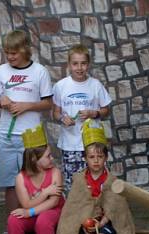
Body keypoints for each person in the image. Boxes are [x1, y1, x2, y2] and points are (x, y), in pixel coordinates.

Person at [29, 120, 135, 234]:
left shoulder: (111, 180)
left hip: (104, 224)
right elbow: (74, 208)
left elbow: (115, 208)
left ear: (105, 158)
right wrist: (82, 225)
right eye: (92, 157)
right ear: (85, 158)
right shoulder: (79, 179)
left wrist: (100, 224)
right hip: (84, 225)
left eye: (100, 157)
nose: (96, 161)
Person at [0, 29, 53, 234]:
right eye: (7, 53)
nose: (10, 57)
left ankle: (38, 224)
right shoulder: (1, 71)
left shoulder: (40, 72)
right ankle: (12, 227)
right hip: (7, 135)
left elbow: (48, 103)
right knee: (10, 183)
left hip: (33, 135)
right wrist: (2, 101)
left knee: (37, 181)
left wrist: (26, 106)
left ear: (25, 49)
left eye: (14, 53)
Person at [6, 124, 64, 234]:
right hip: (32, 211)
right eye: (48, 156)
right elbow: (25, 203)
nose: (51, 159)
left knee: (43, 221)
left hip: (53, 210)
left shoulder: (55, 173)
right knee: (13, 220)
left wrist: (30, 211)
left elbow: (53, 202)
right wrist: (45, 192)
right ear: (34, 159)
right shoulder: (21, 177)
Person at [52, 44, 112, 191]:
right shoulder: (61, 86)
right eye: (75, 64)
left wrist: (94, 113)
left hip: (93, 144)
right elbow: (55, 112)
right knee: (73, 185)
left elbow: (106, 110)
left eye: (83, 63)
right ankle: (74, 213)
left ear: (88, 64)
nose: (79, 68)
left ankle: (96, 213)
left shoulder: (95, 85)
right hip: (70, 144)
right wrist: (62, 119)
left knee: (96, 183)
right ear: (69, 65)